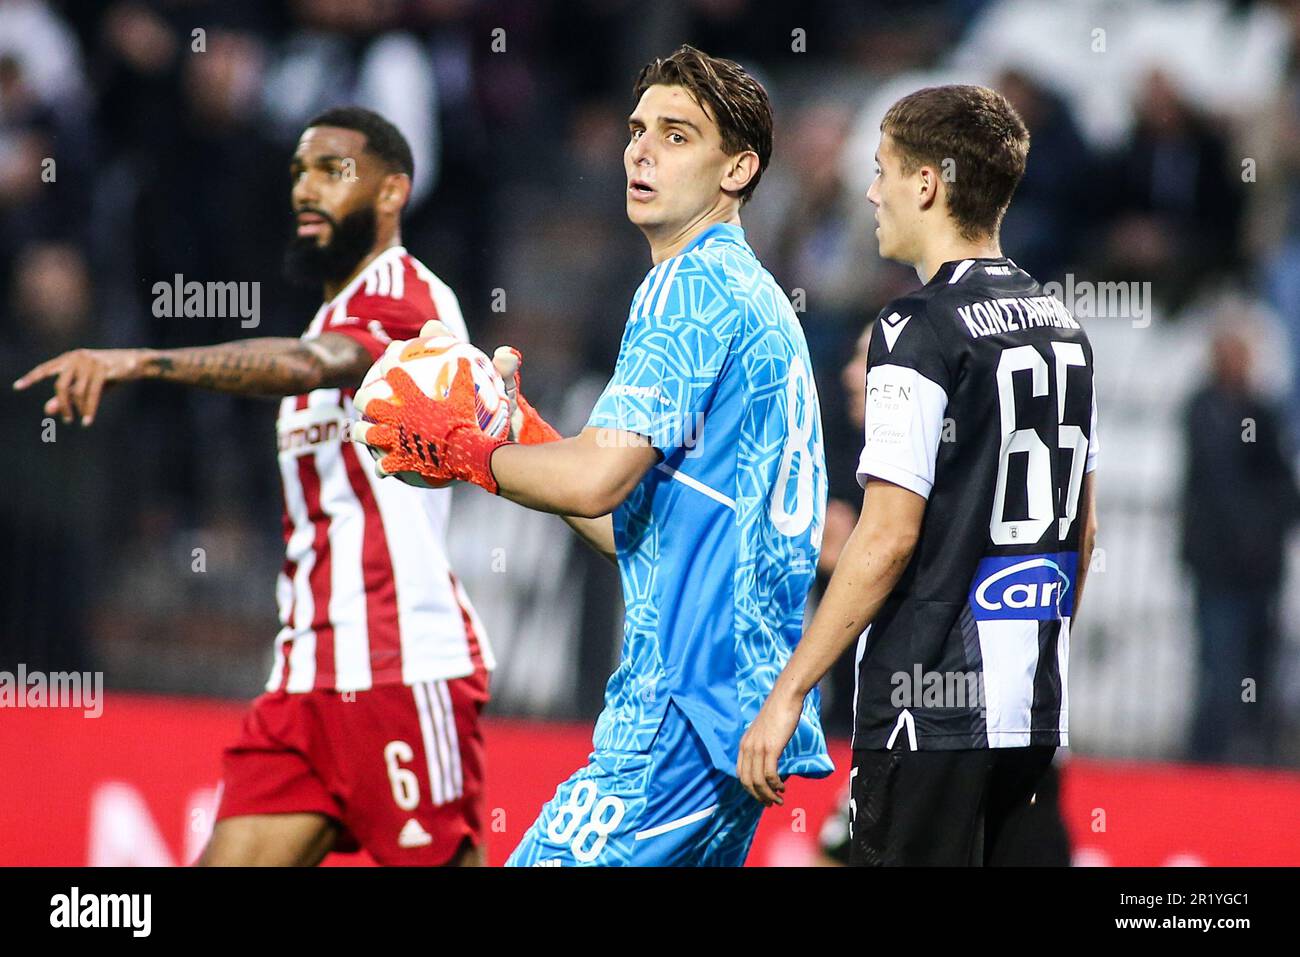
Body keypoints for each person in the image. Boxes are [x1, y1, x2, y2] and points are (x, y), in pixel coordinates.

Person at [355, 44, 833, 866]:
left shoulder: (691, 286)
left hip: (676, 707)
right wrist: (518, 427)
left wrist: (466, 452)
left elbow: (597, 477)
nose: (642, 149)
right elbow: (628, 520)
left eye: (678, 135)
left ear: (738, 169)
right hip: (733, 710)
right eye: (638, 129)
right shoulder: (751, 295)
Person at [14, 107, 494, 867]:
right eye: (299, 171)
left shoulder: (409, 298)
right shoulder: (332, 310)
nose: (306, 190)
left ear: (394, 190)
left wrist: (140, 361)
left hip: (399, 664)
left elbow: (309, 365)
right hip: (306, 676)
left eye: (332, 171)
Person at [737, 84, 1099, 866]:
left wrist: (789, 690)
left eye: (883, 170)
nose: (872, 192)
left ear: (928, 184)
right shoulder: (1067, 329)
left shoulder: (915, 326)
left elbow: (889, 536)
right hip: (1033, 709)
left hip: (926, 708)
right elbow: (1085, 529)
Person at [1182, 328, 1300, 764]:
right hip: (1219, 569)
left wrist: (1265, 534)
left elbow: (1281, 484)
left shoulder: (1261, 413)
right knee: (1221, 666)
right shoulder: (1203, 410)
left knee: (1258, 669)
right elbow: (1216, 487)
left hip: (1260, 571)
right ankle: (1209, 756)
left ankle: (1254, 754)